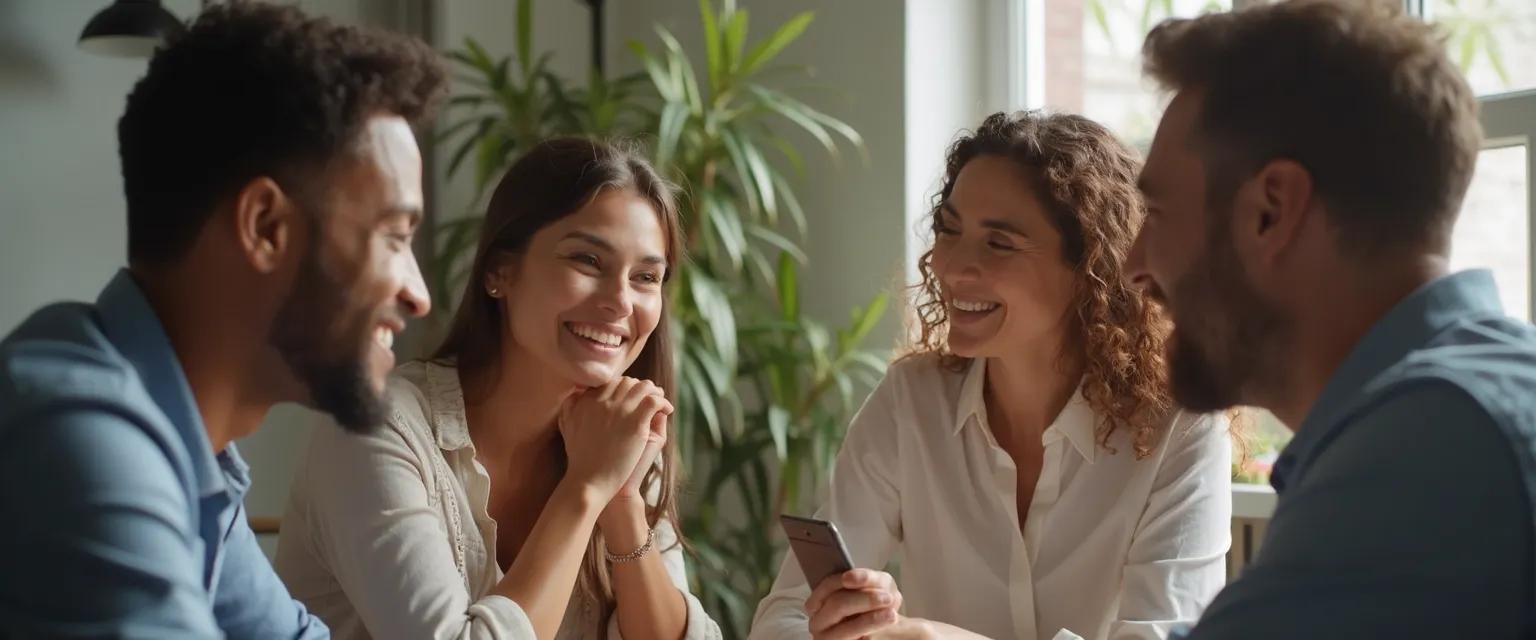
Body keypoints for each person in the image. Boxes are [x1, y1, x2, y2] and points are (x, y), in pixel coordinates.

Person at [0, 2, 446, 637]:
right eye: (394, 237)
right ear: (266, 227)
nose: (419, 295)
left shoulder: (188, 449)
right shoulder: (79, 438)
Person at [1125, 1, 1536, 637]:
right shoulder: (1466, 402)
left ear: (1271, 210)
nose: (1133, 266)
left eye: (1155, 215)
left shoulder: (1437, 443)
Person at [750, 111, 1233, 640]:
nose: (952, 267)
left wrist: (940, 639)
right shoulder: (911, 400)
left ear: (1093, 267)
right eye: (949, 230)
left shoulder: (1181, 426)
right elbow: (783, 618)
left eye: (998, 243)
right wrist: (847, 628)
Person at [274, 137, 722, 640]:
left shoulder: (617, 431)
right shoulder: (377, 427)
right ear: (499, 272)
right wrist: (585, 487)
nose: (621, 302)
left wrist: (621, 504)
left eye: (645, 277)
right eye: (587, 261)